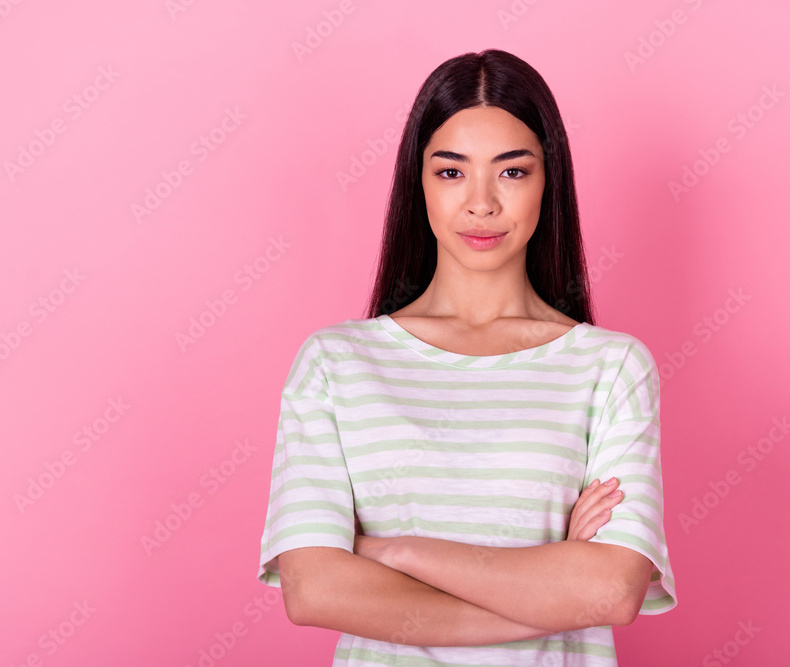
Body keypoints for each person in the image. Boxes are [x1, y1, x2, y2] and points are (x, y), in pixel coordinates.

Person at [257, 48, 677, 666]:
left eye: (512, 171)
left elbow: (611, 591)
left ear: (548, 181)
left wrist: (387, 550)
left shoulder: (610, 368)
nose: (481, 203)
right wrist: (546, 585)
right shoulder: (335, 362)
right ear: (417, 183)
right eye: (451, 172)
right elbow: (315, 589)